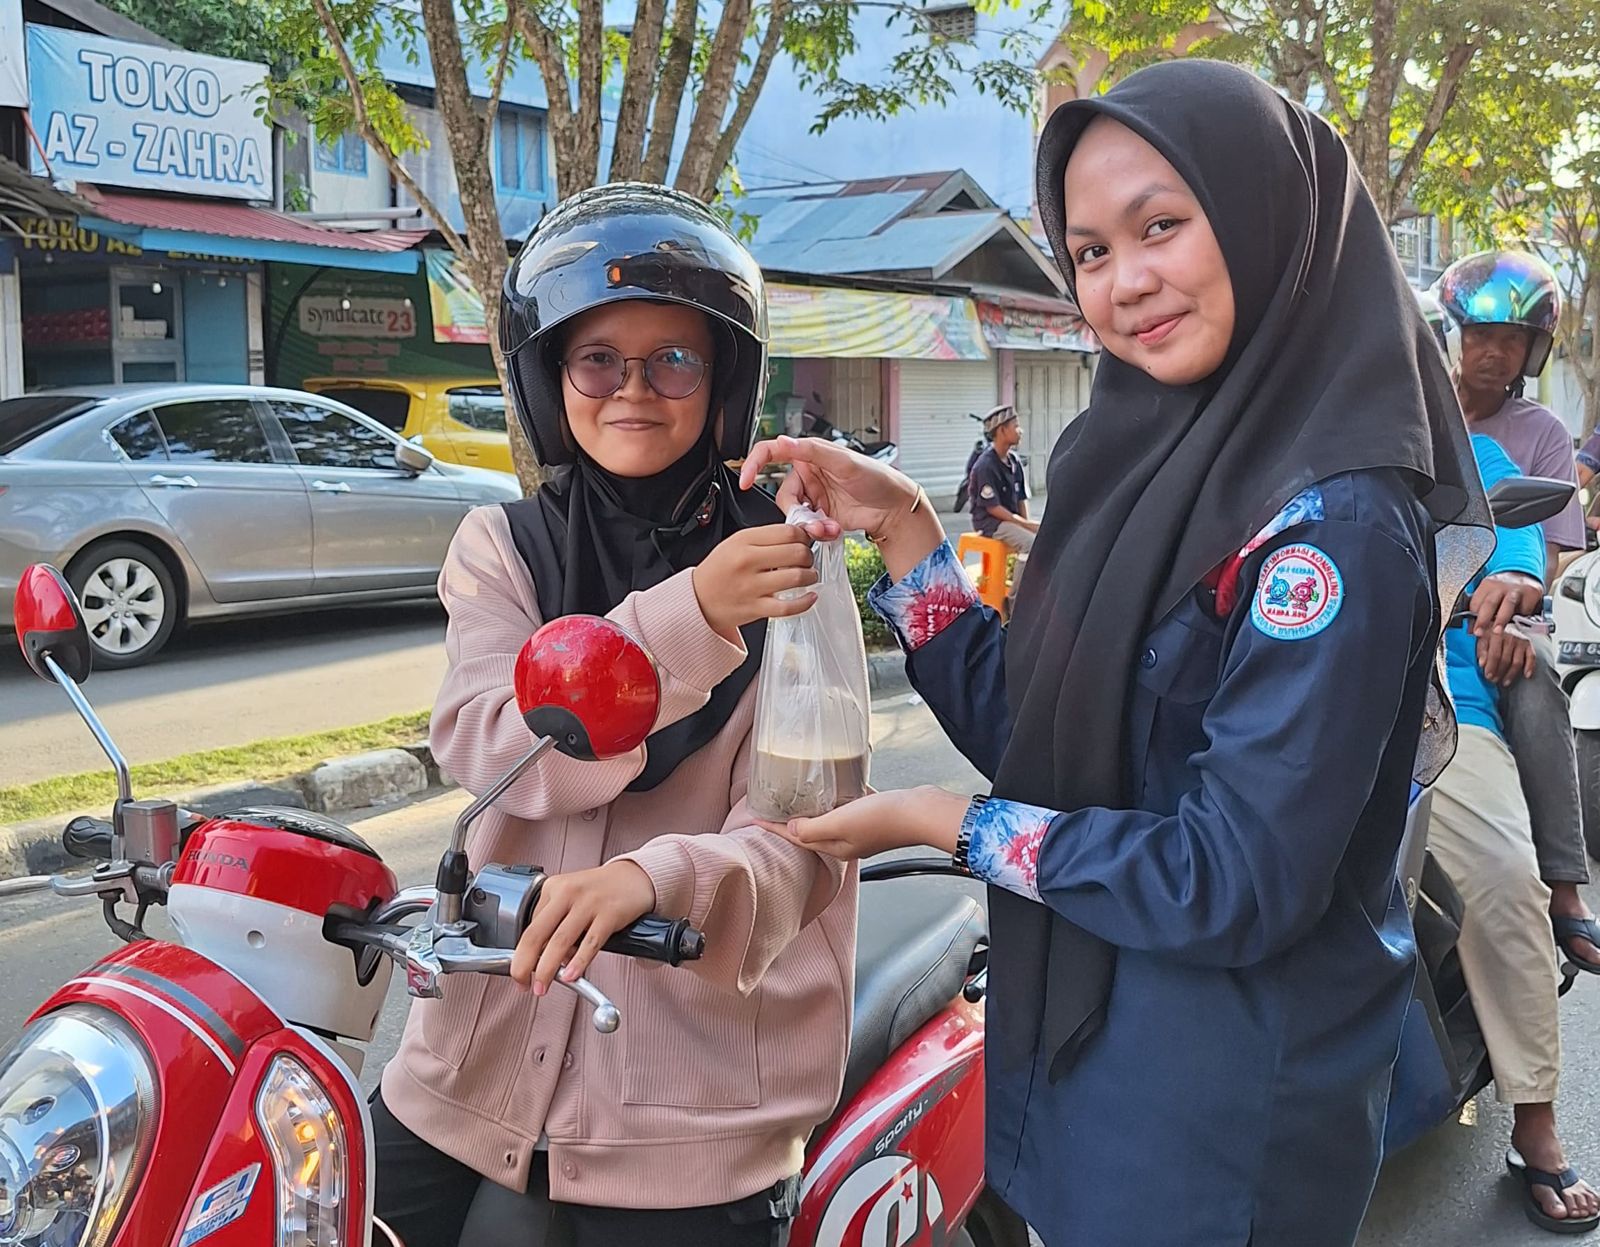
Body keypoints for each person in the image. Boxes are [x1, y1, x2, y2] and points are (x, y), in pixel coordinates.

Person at [742, 60, 1492, 1247]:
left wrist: (951, 827)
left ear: (1263, 219)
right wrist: (908, 538)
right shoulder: (1132, 463)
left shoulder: (1328, 529)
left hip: (1215, 1105)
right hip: (1077, 1046)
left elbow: (1233, 876)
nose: (1124, 282)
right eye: (1088, 251)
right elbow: (1047, 737)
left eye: (1160, 225)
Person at [370, 183, 855, 1247]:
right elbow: (495, 746)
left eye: (673, 359)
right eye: (599, 359)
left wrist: (652, 878)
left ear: (723, 381)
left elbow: (804, 843)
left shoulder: (787, 563)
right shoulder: (503, 549)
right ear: (550, 381)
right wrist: (689, 616)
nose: (634, 389)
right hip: (468, 1067)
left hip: (690, 1110)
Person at [1427, 432, 1600, 1233]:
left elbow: (1519, 541)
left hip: (1440, 703)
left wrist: (1512, 577)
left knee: (1501, 874)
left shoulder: (1473, 455)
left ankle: (1534, 1120)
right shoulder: (1289, 445)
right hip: (1302, 707)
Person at [1437, 250, 1600, 975]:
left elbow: (1550, 554)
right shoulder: (1413, 408)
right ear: (1455, 335)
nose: (1492, 352)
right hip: (1415, 603)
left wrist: (1508, 608)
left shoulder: (1541, 436)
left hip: (1508, 608)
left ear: (1532, 352)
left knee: (1530, 678)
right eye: (1480, 334)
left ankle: (1564, 889)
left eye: (1511, 340)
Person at [967, 403, 1037, 557]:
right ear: (1002, 430)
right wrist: (1024, 525)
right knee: (1031, 545)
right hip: (991, 523)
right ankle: (1024, 582)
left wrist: (1027, 524)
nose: (1021, 431)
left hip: (1010, 521)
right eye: (1016, 426)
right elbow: (993, 508)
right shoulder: (985, 465)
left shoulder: (1014, 461)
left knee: (1040, 539)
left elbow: (1021, 498)